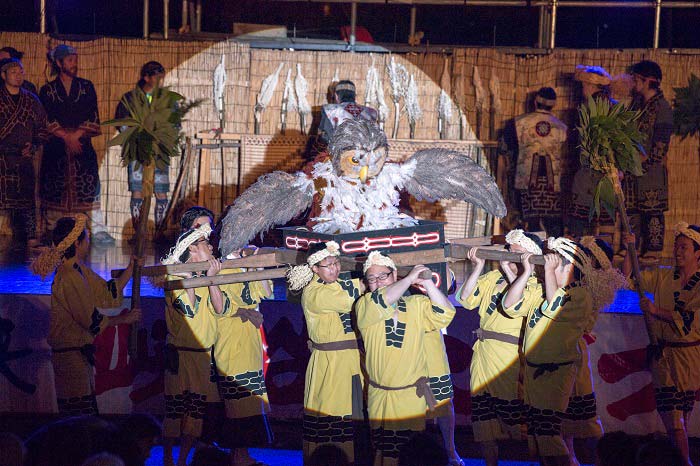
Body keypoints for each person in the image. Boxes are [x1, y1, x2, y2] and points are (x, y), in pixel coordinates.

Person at [29, 214, 140, 415]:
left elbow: (106, 292)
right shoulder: (69, 276)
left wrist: (131, 268)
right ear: (78, 243)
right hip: (69, 359)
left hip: (78, 356)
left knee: (82, 415)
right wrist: (124, 319)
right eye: (87, 237)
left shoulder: (79, 270)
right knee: (78, 419)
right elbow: (90, 320)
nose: (89, 241)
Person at [355, 251, 456, 466]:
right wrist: (410, 278)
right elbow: (384, 299)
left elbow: (446, 313)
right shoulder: (364, 306)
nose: (378, 282)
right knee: (383, 454)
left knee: (411, 454)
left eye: (383, 276)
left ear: (394, 276)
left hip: (412, 397)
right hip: (381, 397)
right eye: (372, 279)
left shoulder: (416, 305)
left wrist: (427, 283)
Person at [503, 237, 594, 466]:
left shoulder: (581, 296)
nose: (552, 267)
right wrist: (522, 275)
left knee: (549, 433)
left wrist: (550, 271)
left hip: (556, 373)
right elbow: (509, 305)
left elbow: (555, 307)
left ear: (572, 268)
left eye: (559, 263)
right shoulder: (539, 289)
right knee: (538, 435)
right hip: (533, 373)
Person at [457, 229, 543, 466]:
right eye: (510, 252)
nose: (511, 256)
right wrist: (477, 267)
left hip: (509, 357)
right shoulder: (492, 279)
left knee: (515, 418)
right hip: (483, 352)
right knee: (484, 420)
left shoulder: (536, 286)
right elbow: (465, 299)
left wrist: (513, 270)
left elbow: (512, 306)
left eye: (518, 253)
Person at [623, 223, 700, 466]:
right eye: (676, 247)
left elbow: (692, 318)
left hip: (689, 358)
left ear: (698, 253)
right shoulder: (663, 275)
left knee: (681, 422)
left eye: (684, 247)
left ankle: (681, 462)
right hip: (664, 357)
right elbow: (629, 278)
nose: (678, 252)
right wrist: (629, 250)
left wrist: (656, 311)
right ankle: (684, 463)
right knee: (673, 422)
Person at [286, 241, 365, 463]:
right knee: (332, 413)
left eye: (336, 263)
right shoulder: (314, 293)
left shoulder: (338, 283)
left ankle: (353, 459)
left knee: (354, 414)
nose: (335, 268)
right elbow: (350, 299)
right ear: (314, 269)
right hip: (330, 363)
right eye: (328, 265)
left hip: (351, 361)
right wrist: (376, 275)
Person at [161, 223, 229, 466]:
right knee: (175, 410)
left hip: (202, 356)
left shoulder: (209, 276)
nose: (211, 247)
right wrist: (190, 277)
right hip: (180, 355)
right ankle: (168, 458)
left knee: (195, 413)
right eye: (205, 243)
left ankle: (182, 460)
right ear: (192, 250)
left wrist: (212, 281)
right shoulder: (174, 275)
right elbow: (189, 310)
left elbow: (220, 309)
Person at [39, 44, 114, 245]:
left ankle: (95, 231)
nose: (74, 64)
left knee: (88, 188)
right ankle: (52, 233)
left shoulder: (86, 87)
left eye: (75, 60)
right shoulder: (47, 90)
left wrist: (76, 135)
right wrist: (65, 136)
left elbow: (93, 114)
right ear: (59, 62)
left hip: (81, 147)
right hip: (57, 149)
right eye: (70, 60)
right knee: (55, 188)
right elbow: (45, 117)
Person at [562, 237, 626, 465]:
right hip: (563, 349)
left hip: (571, 352)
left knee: (582, 413)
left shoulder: (589, 290)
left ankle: (606, 458)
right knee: (565, 409)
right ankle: (570, 457)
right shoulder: (581, 285)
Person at [213, 247, 274, 466]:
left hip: (249, 338)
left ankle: (242, 453)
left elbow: (266, 292)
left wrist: (257, 263)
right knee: (237, 401)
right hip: (231, 338)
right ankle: (237, 455)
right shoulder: (220, 268)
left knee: (249, 400)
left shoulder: (246, 263)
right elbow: (222, 307)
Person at [115, 61, 170, 235]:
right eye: (157, 77)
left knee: (160, 191)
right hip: (138, 151)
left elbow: (174, 125)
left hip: (159, 152)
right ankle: (139, 232)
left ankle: (160, 232)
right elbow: (122, 123)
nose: (161, 81)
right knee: (138, 190)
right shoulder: (130, 99)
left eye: (162, 77)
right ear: (146, 78)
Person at [628, 60, 673, 260]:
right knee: (634, 212)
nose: (633, 82)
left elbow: (662, 142)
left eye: (637, 79)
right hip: (633, 169)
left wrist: (646, 161)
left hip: (651, 169)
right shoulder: (637, 105)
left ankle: (652, 250)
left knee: (652, 211)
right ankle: (633, 248)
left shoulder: (662, 107)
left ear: (648, 81)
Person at [0, 57, 47, 247]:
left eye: (21, 72)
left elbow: (43, 128)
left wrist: (34, 145)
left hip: (23, 159)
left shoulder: (32, 100)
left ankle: (30, 237)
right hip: (1, 158)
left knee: (26, 200)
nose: (18, 76)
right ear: (3, 75)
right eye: (13, 72)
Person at [511, 87, 567, 237]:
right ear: (553, 104)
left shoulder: (519, 123)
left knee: (530, 221)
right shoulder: (561, 127)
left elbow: (507, 147)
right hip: (551, 183)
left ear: (535, 101)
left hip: (527, 180)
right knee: (552, 224)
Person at [568, 65, 616, 238]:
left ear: (591, 86)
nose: (583, 89)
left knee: (579, 217)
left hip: (590, 169)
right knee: (605, 217)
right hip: (611, 172)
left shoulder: (589, 108)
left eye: (584, 85)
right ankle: (605, 258)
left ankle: (575, 258)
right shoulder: (615, 107)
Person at [318, 80, 378, 144]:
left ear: (336, 96)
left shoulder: (329, 110)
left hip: (339, 151)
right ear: (355, 96)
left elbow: (325, 137)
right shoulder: (371, 112)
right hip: (366, 152)